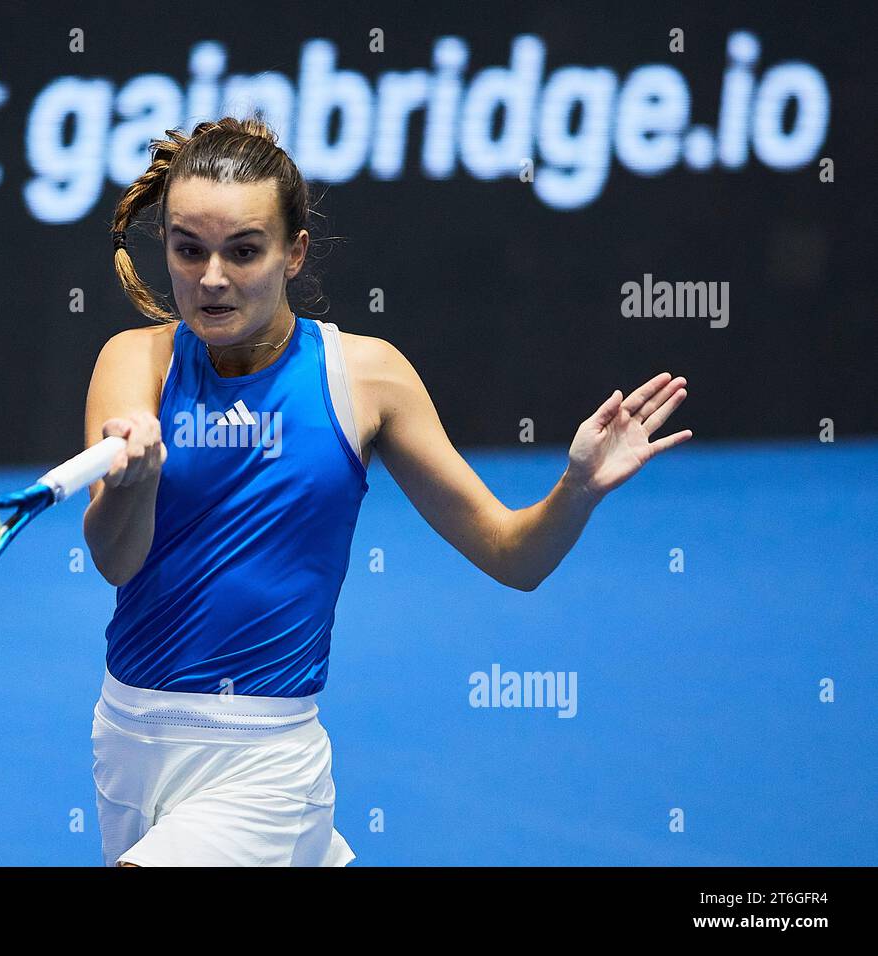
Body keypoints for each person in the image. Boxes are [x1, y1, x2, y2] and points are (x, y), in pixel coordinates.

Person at [82, 115, 691, 867]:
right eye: (189, 249)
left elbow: (513, 557)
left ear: (293, 252)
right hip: (127, 742)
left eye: (243, 251)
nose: (211, 277)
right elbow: (114, 559)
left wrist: (577, 487)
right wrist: (133, 481)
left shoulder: (366, 378)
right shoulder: (133, 362)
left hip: (265, 762)